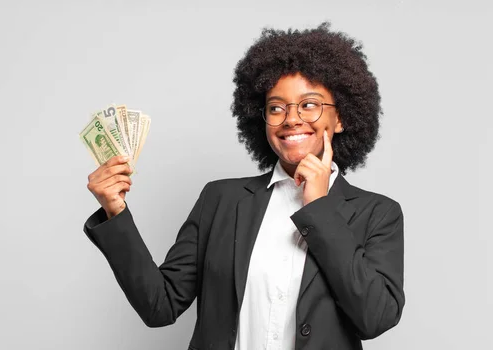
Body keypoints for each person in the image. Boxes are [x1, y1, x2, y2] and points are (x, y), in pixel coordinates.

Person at [84, 22, 404, 350]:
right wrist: (115, 210)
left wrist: (319, 207)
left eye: (309, 105)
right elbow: (159, 306)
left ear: (341, 118)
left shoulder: (378, 214)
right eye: (276, 107)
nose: (291, 119)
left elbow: (375, 317)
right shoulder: (220, 200)